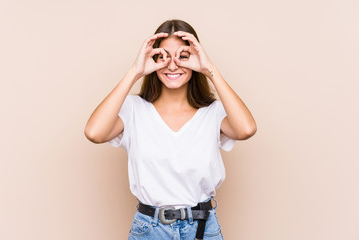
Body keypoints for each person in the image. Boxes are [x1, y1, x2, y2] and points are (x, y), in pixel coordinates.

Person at [84, 19, 256, 240]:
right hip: (149, 229)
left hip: (203, 229)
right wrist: (135, 72)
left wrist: (209, 68)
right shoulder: (134, 110)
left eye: (183, 57)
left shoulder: (213, 113)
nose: (172, 65)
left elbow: (247, 129)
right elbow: (94, 132)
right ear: (153, 59)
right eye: (163, 57)